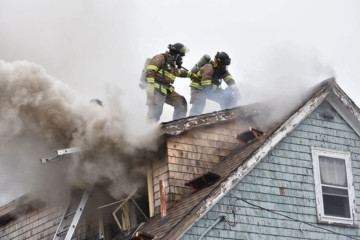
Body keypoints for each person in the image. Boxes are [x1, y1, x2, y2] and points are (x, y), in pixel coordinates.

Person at [145, 43, 195, 122]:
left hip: (166, 90)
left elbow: (180, 73)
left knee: (181, 102)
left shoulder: (171, 65)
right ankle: (148, 132)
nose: (181, 59)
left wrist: (193, 75)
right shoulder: (160, 58)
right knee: (155, 112)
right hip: (155, 89)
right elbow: (150, 71)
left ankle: (178, 127)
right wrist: (151, 89)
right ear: (176, 55)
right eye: (181, 56)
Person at [189, 52, 240, 116]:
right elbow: (206, 86)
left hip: (211, 89)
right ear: (218, 63)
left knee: (227, 98)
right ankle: (190, 121)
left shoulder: (222, 70)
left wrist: (236, 92)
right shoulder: (208, 68)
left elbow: (230, 81)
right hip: (198, 89)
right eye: (223, 65)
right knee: (200, 101)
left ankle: (229, 115)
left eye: (225, 65)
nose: (224, 67)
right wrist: (220, 92)